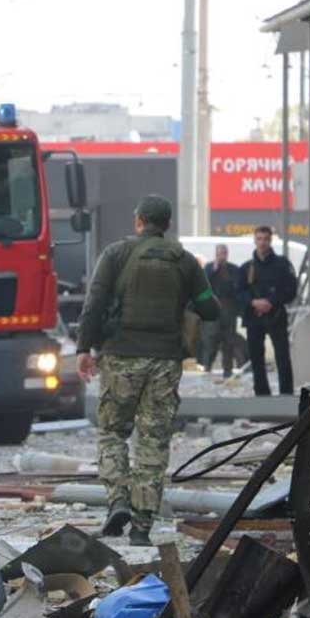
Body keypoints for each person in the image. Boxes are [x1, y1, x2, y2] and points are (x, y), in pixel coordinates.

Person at [76, 195, 220, 546]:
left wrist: (84, 348)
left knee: (112, 432)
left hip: (120, 357)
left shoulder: (115, 254)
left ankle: (118, 501)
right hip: (165, 363)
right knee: (153, 442)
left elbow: (93, 303)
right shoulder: (185, 261)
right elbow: (210, 309)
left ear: (138, 220)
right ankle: (141, 527)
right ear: (168, 224)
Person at [235, 226, 298, 396]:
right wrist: (253, 302)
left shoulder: (282, 264)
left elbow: (291, 289)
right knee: (256, 359)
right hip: (254, 318)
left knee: (282, 357)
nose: (262, 242)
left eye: (265, 239)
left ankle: (286, 394)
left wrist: (271, 302)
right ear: (255, 241)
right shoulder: (247, 267)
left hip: (276, 316)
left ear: (270, 241)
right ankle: (262, 395)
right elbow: (239, 292)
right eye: (259, 239)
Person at [199, 244, 242, 378]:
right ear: (215, 254)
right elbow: (204, 284)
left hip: (229, 310)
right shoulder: (209, 268)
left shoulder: (233, 269)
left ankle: (227, 369)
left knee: (229, 341)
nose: (222, 256)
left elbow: (238, 287)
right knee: (210, 339)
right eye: (219, 253)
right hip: (213, 310)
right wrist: (215, 268)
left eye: (224, 253)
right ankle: (207, 366)